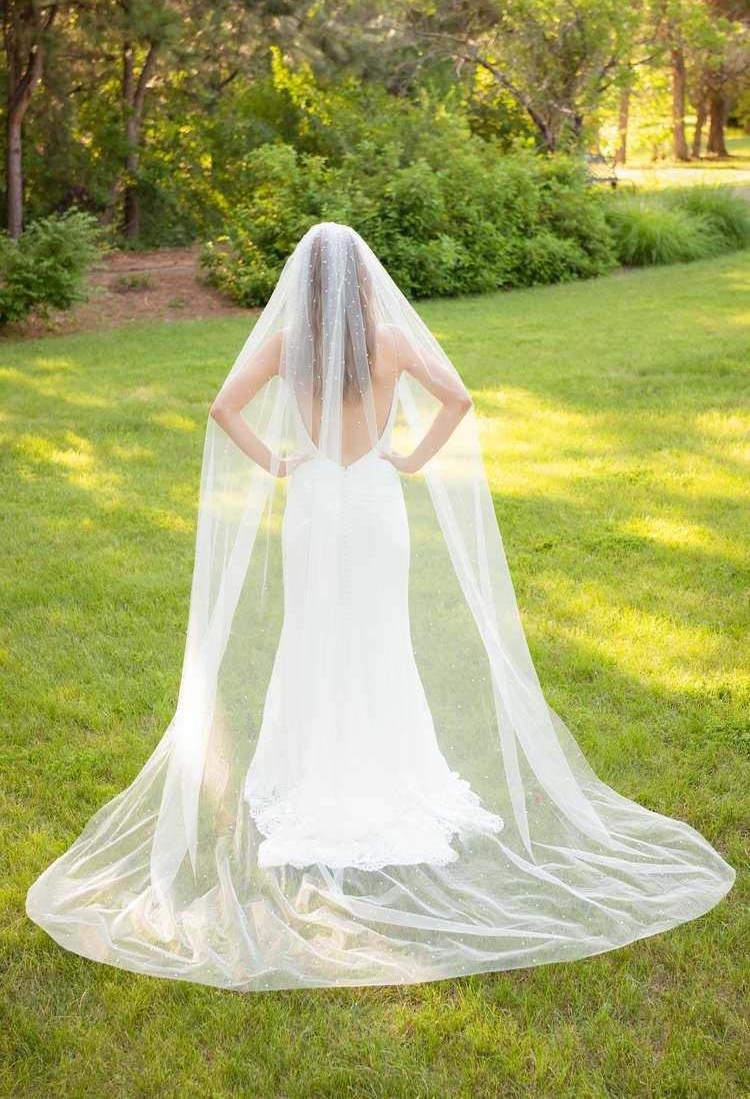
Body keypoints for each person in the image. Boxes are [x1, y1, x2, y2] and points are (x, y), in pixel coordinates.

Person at [26, 223, 735, 993]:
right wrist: (411, 457)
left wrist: (278, 461)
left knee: (314, 637)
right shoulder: (391, 339)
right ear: (362, 276)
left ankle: (311, 773)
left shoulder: (289, 342)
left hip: (316, 504)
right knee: (379, 640)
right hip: (373, 502)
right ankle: (389, 772)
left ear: (305, 281)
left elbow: (223, 407)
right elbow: (458, 399)